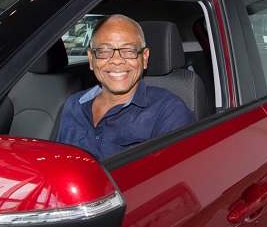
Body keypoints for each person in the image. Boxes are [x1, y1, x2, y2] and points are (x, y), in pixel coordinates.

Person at [56, 14, 195, 160]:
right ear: (91, 59)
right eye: (104, 51)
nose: (116, 60)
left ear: (144, 57)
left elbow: (175, 177)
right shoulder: (73, 105)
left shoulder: (168, 111)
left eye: (129, 51)